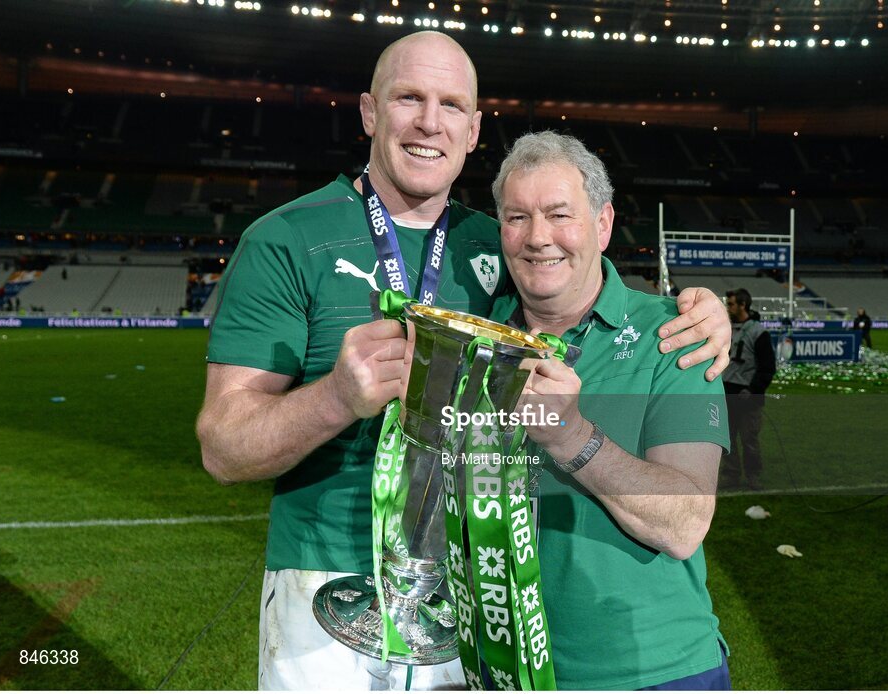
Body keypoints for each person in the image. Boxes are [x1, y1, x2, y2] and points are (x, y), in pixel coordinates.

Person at [197, 31, 733, 690]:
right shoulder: (286, 240)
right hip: (327, 590)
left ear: (474, 128)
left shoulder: (496, 245)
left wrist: (703, 312)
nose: (429, 121)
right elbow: (223, 448)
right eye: (409, 99)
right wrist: (335, 397)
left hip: (467, 597)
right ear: (369, 112)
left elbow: (576, 281)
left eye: (451, 105)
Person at [488, 131, 731, 689]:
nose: (537, 237)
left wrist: (570, 435)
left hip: (653, 672)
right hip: (502, 668)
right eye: (517, 217)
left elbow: (685, 523)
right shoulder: (475, 335)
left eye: (558, 214)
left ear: (602, 224)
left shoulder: (675, 333)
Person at [719, 288, 776, 491]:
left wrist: (753, 389)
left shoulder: (758, 332)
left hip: (747, 394)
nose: (728, 307)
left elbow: (768, 366)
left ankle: (753, 475)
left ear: (743, 305)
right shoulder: (725, 327)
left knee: (749, 439)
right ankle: (731, 474)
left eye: (732, 304)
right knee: (727, 439)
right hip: (726, 392)